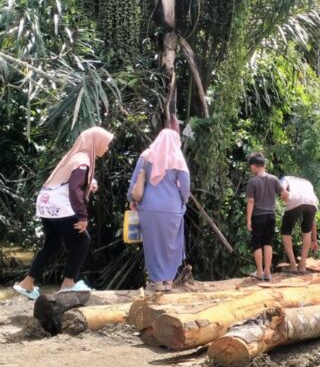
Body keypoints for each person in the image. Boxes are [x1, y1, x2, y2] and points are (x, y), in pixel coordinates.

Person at [15, 127, 113, 300]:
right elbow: (74, 189)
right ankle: (68, 284)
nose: (107, 148)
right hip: (59, 205)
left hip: (45, 202)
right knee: (82, 241)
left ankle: (27, 283)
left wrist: (90, 184)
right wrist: (82, 216)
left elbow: (67, 181)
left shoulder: (73, 156)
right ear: (95, 142)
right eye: (105, 144)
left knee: (52, 243)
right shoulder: (83, 160)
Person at [128, 128, 191, 292]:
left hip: (148, 207)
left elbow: (135, 181)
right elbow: (185, 186)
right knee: (172, 243)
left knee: (152, 243)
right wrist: (183, 201)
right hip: (172, 207)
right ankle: (168, 281)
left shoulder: (146, 156)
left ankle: (156, 281)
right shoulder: (178, 158)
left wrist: (132, 200)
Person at [245, 153, 288, 281]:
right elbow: (284, 194)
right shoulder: (274, 179)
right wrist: (284, 199)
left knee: (257, 243)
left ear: (254, 166)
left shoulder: (253, 182)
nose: (251, 169)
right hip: (271, 215)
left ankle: (259, 272)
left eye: (251, 166)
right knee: (268, 242)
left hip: (258, 216)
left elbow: (251, 202)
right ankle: (268, 272)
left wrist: (248, 220)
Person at [279, 175, 318, 274]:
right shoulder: (307, 182)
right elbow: (313, 221)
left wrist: (283, 194)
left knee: (285, 232)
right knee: (306, 231)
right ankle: (302, 265)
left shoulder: (286, 178)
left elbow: (282, 187)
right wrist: (314, 239)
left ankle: (292, 265)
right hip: (313, 202)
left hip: (295, 199)